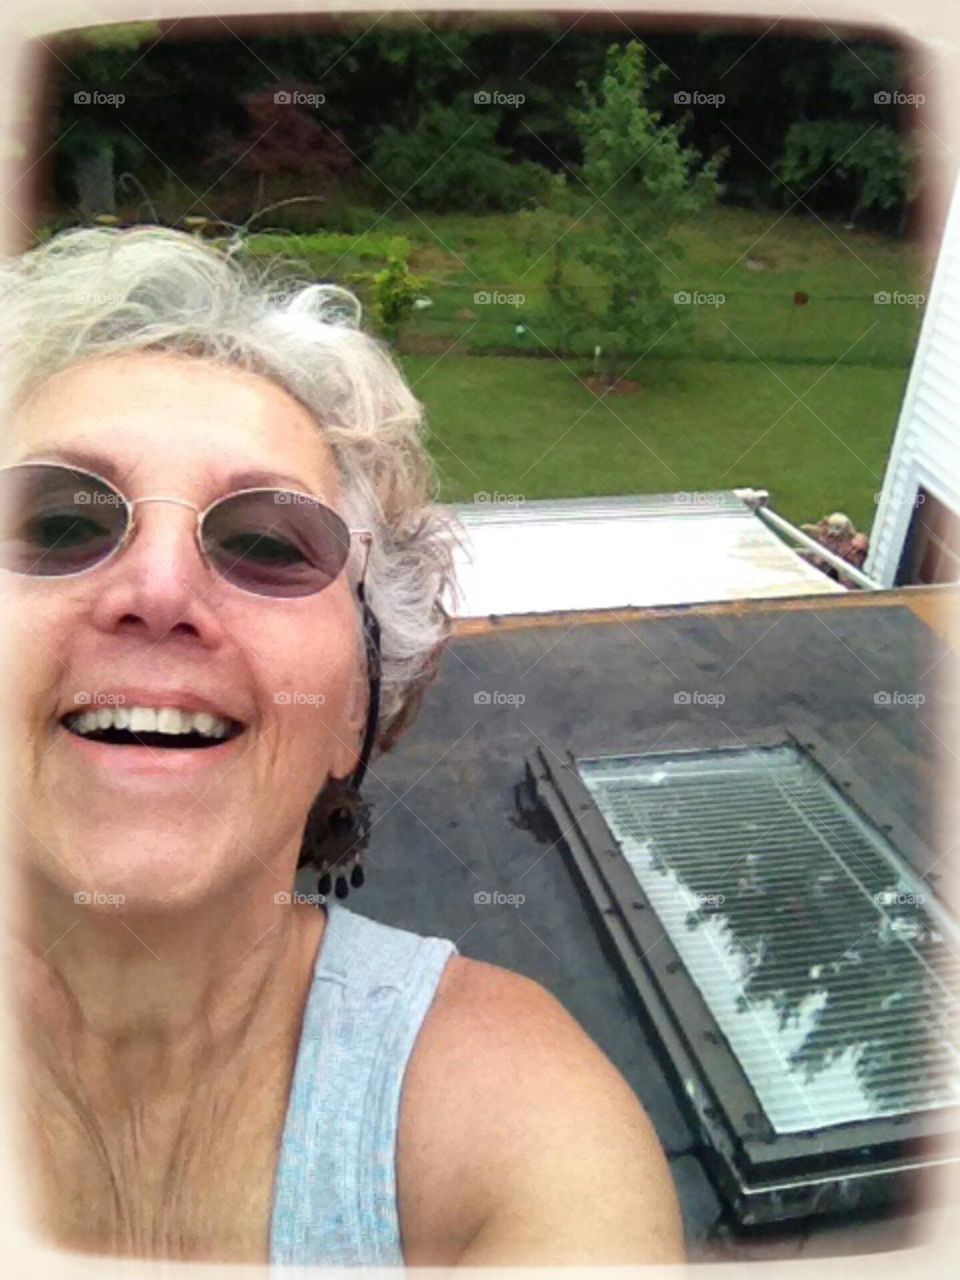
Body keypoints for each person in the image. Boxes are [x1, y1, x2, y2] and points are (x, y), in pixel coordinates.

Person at [0, 227, 684, 1267]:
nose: (158, 593)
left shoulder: (513, 1119)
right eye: (59, 521)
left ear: (363, 700)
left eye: (268, 542)